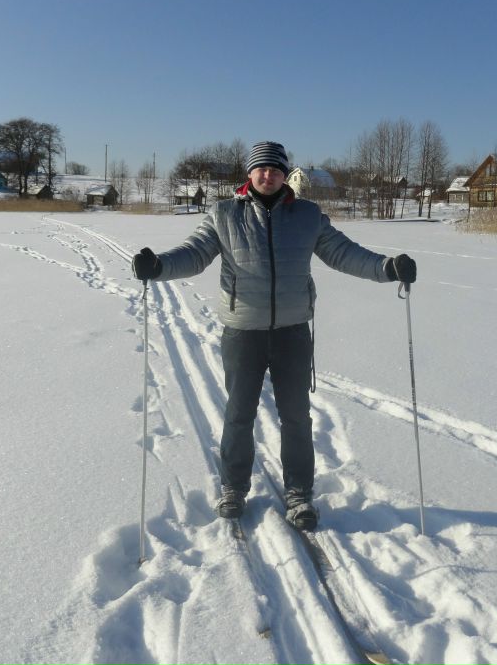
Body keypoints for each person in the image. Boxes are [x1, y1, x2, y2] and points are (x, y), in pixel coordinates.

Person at [132, 140, 416, 530]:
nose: (268, 175)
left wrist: (388, 267)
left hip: (292, 332)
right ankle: (233, 487)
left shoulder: (307, 216)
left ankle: (299, 493)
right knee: (239, 414)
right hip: (242, 331)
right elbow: (194, 254)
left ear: (286, 174)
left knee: (296, 416)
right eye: (261, 169)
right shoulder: (223, 214)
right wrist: (158, 266)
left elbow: (344, 253)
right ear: (249, 174)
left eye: (276, 169)